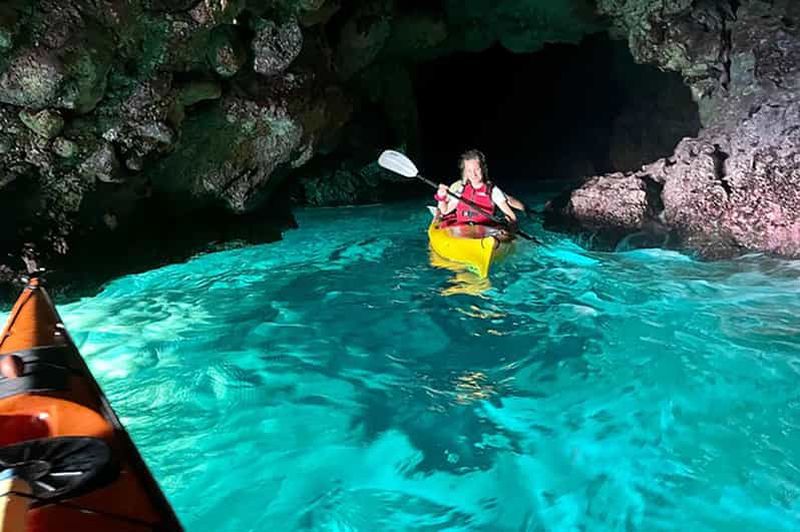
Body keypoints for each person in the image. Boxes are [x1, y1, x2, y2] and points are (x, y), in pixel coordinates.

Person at [434, 149, 520, 227]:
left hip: (485, 234)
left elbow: (512, 216)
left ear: (483, 169)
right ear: (465, 172)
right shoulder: (461, 190)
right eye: (469, 171)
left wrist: (508, 228)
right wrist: (441, 197)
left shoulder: (493, 191)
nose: (473, 174)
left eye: (477, 169)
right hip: (462, 231)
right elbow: (445, 210)